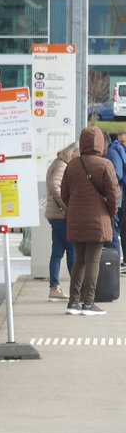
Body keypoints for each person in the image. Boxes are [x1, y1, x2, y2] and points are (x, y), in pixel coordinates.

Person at [59, 126, 120, 316]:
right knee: (93, 260)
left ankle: (73, 302)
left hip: (76, 218)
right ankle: (88, 303)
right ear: (101, 143)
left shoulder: (73, 165)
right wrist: (110, 212)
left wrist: (74, 208)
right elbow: (113, 194)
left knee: (80, 261)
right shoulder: (105, 164)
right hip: (97, 219)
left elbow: (64, 193)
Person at [44, 141, 79, 300]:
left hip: (54, 215)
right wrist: (67, 206)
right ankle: (76, 289)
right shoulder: (62, 166)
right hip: (61, 215)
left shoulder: (57, 163)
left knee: (57, 252)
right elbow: (54, 186)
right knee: (72, 249)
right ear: (72, 154)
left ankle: (54, 288)